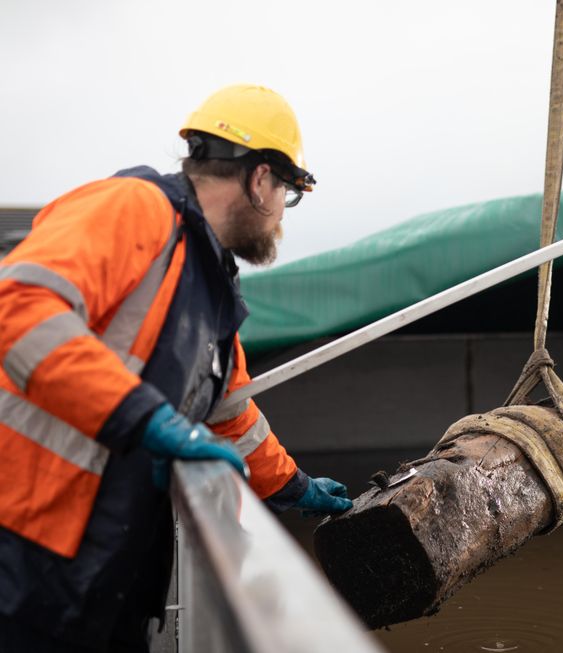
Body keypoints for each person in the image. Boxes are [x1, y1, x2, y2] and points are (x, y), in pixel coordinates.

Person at [0, 84, 352, 652]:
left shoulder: (211, 286)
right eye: (287, 192)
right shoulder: (134, 208)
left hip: (107, 563)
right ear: (260, 180)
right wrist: (145, 419)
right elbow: (19, 309)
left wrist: (294, 485)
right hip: (23, 543)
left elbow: (231, 416)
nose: (280, 216)